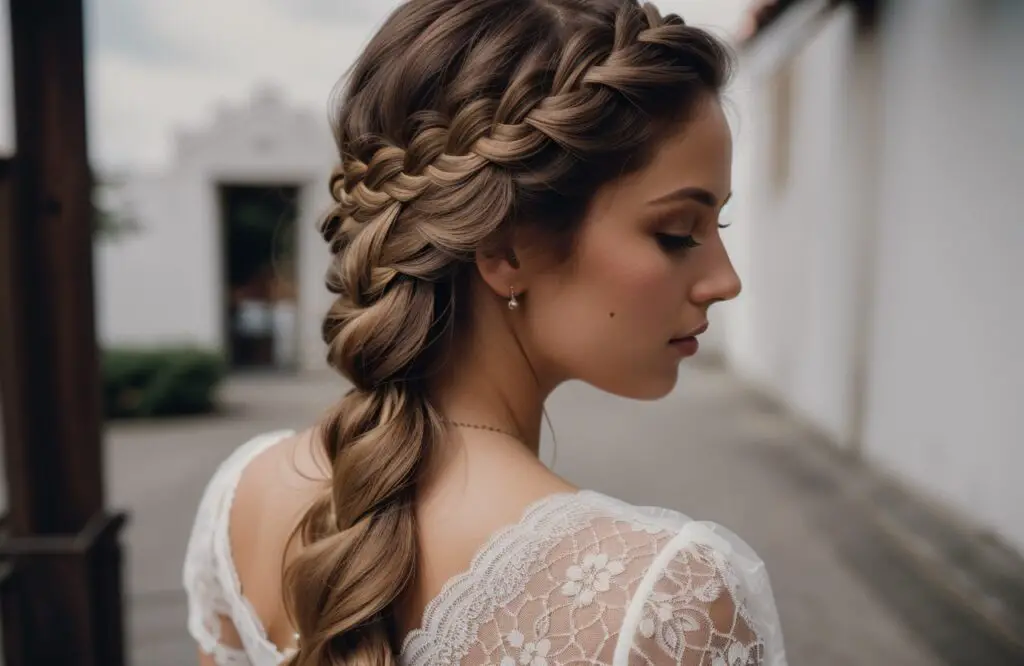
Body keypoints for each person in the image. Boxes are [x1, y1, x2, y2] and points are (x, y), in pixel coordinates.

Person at [182, 0, 788, 664]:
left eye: (718, 227)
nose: (723, 280)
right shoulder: (661, 603)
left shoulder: (241, 497)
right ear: (505, 249)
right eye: (677, 233)